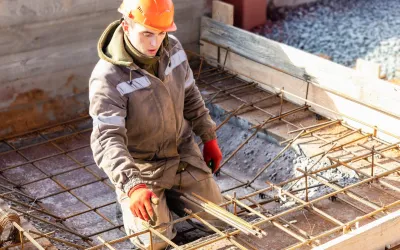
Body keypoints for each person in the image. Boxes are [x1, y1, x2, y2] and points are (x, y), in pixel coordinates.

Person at [89, 0, 225, 249]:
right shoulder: (108, 76)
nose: (155, 43)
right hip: (143, 167)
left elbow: (190, 95)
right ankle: (132, 201)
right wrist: (132, 185)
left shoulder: (173, 49)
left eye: (161, 33)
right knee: (155, 242)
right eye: (147, 34)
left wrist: (208, 137)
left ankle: (172, 199)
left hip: (181, 155)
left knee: (219, 219)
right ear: (126, 26)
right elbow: (106, 138)